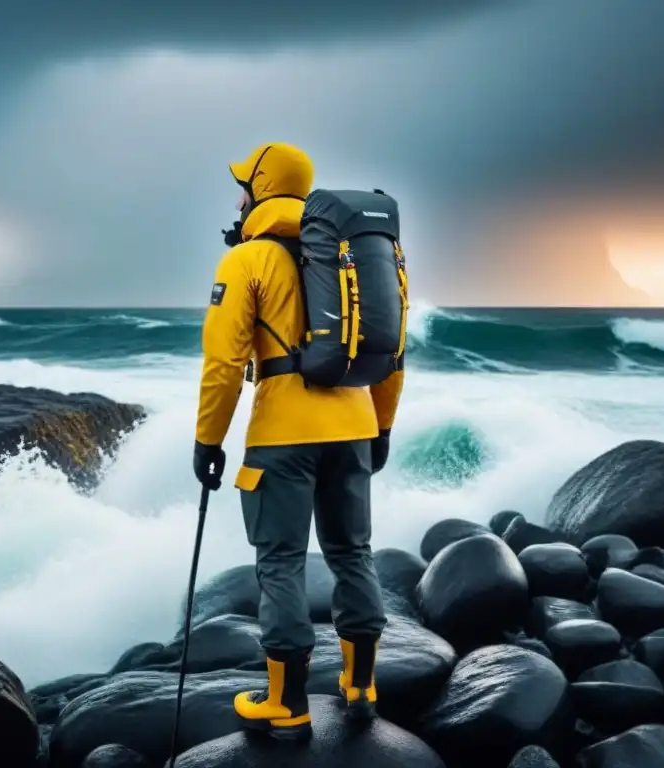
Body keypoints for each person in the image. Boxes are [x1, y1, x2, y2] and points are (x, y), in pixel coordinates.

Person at [193, 142, 404, 740]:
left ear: (260, 187)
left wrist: (209, 440)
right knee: (352, 554)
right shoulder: (357, 256)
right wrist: (382, 426)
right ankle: (361, 685)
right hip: (357, 423)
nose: (238, 196)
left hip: (283, 436)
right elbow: (392, 352)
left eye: (243, 184)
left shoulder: (247, 260)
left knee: (281, 564)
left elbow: (223, 363)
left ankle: (285, 704)